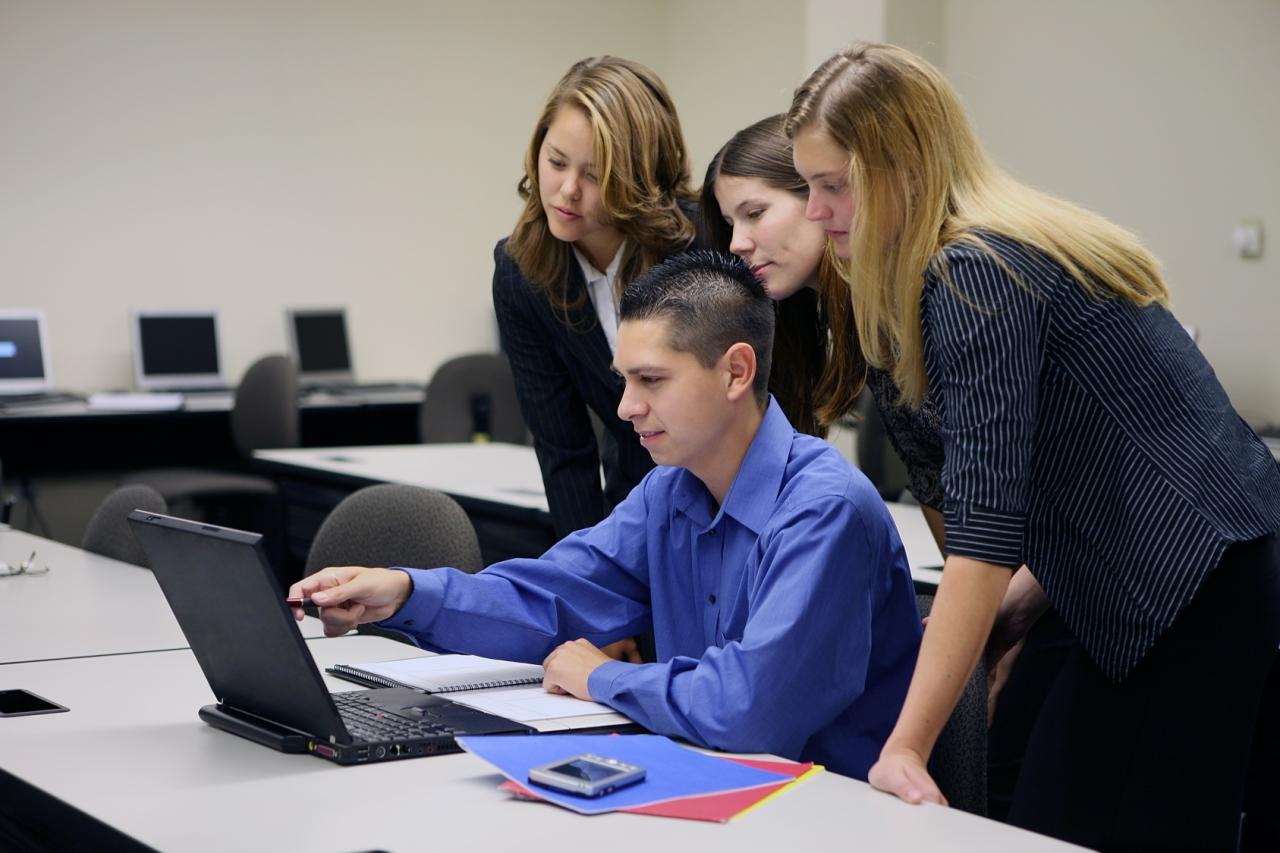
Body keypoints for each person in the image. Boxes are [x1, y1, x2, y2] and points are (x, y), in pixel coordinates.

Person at [786, 41, 1280, 851]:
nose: (816, 211)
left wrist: (905, 745)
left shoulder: (975, 274)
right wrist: (1010, 615)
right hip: (1129, 582)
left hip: (1202, 582)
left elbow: (986, 532)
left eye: (833, 186)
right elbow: (1057, 476)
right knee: (1050, 813)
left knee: (1141, 824)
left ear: (902, 170)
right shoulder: (948, 273)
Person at [293, 251, 921, 779]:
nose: (625, 407)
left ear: (736, 371)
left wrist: (606, 680)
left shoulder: (823, 510)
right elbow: (550, 598)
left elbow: (749, 711)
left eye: (651, 380)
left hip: (816, 814)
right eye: (625, 380)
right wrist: (404, 593)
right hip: (707, 782)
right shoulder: (671, 492)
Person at [494, 55, 698, 545]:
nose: (567, 191)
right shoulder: (521, 271)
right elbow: (564, 452)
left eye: (595, 175)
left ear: (639, 177)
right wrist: (590, 590)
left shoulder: (705, 244)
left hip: (742, 506)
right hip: (633, 501)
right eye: (556, 161)